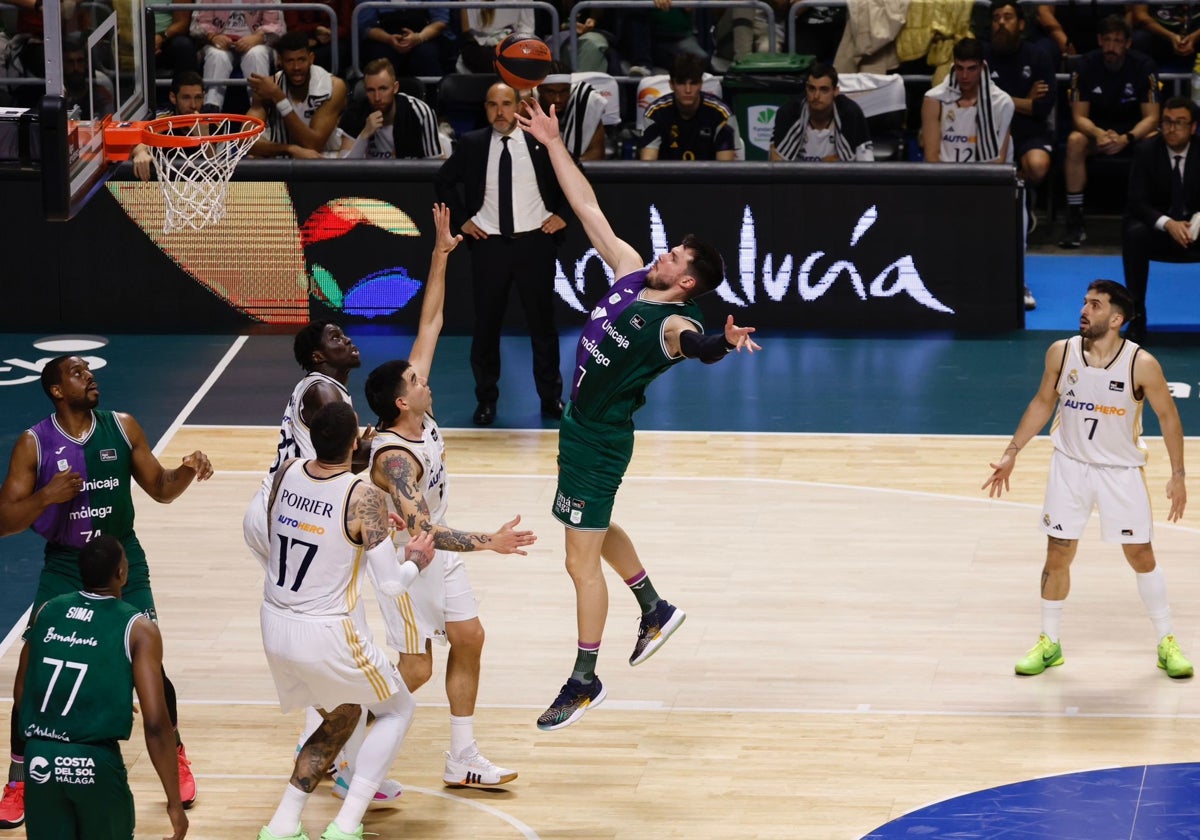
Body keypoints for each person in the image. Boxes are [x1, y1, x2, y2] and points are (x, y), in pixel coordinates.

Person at [516, 97, 761, 730]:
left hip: (599, 439)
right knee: (591, 530)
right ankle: (653, 606)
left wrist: (723, 343)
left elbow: (699, 347)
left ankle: (584, 678)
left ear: (687, 282)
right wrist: (551, 142)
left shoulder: (674, 321)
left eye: (677, 256)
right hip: (580, 427)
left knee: (577, 560)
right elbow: (587, 206)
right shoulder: (628, 272)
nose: (666, 253)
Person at [361, 203, 534, 787]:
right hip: (404, 559)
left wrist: (439, 254)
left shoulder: (412, 409)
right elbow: (424, 534)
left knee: (469, 636)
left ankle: (462, 759)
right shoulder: (393, 460)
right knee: (415, 668)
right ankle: (340, 744)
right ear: (401, 404)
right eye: (415, 381)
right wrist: (494, 541)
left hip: (433, 544)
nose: (424, 377)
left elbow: (429, 322)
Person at [0, 355, 213, 828]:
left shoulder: (123, 426)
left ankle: (174, 753)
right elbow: (4, 521)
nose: (90, 377)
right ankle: (19, 776)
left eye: (88, 371)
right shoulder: (34, 443)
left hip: (122, 564)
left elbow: (160, 488)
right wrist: (46, 497)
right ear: (56, 390)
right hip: (65, 565)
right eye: (77, 374)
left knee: (150, 664)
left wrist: (186, 471)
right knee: (29, 673)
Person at [982, 279, 1192, 681]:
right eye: (1084, 302)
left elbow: (1169, 418)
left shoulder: (1141, 364)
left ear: (1116, 319)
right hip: (1070, 466)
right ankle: (1049, 642)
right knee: (1058, 553)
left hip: (1121, 472)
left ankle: (1166, 642)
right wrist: (1012, 452)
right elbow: (1044, 401)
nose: (1084, 310)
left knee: (1141, 555)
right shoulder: (1061, 353)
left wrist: (1178, 475)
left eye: (1094, 305)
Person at [250, 401, 436, 840]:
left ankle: (280, 826)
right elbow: (390, 585)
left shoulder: (286, 472)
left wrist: (369, 529)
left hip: (274, 622)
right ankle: (347, 823)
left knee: (341, 716)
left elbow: (309, 524)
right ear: (356, 443)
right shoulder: (363, 496)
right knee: (397, 708)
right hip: (324, 631)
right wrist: (415, 560)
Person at [13, 536, 188, 840]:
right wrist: (174, 803)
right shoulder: (137, 627)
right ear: (122, 572)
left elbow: (22, 692)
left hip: (40, 760)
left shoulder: (48, 611)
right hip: (94, 762)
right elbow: (158, 725)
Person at [434, 81, 569, 427]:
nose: (499, 111)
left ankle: (551, 398)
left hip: (534, 243)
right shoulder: (473, 144)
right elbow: (444, 181)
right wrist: (463, 220)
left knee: (542, 326)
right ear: (486, 108)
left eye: (506, 103)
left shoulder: (541, 142)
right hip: (489, 245)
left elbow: (574, 176)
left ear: (520, 105)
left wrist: (562, 213)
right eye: (492, 104)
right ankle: (486, 401)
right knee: (486, 327)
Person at [1059, 15, 1160, 249]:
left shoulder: (1145, 67)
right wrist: (1099, 134)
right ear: (1099, 41)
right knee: (1075, 141)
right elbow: (1078, 117)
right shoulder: (1084, 66)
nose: (1111, 47)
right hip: (1097, 133)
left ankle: (1154, 217)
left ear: (1128, 44)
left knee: (1155, 140)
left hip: (1133, 133)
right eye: (1107, 40)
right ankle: (1075, 220)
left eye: (1117, 41)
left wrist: (1127, 138)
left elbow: (1153, 118)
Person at [1121, 98, 1200, 344]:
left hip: (1198, 230)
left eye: (1179, 123)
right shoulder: (1146, 151)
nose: (1171, 128)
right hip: (1160, 232)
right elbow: (1136, 201)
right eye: (1166, 122)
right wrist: (1168, 223)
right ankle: (1137, 317)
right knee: (1134, 232)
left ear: (1193, 127)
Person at [985, 1, 1056, 230]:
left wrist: (1002, 99)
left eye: (1008, 17)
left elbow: (1042, 107)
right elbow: (979, 102)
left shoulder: (1038, 56)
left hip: (1028, 131)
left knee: (1037, 166)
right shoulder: (981, 57)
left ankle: (1022, 195)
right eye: (996, 19)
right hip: (990, 133)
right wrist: (1024, 99)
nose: (1001, 23)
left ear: (1022, 24)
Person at [248, 32, 350, 159]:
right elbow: (245, 142)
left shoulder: (333, 86)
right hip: (285, 156)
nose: (296, 67)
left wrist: (280, 99)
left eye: (301, 60)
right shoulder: (268, 87)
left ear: (311, 58)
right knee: (254, 158)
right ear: (280, 61)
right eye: (290, 61)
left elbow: (314, 145)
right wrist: (289, 149)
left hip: (325, 156)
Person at [921, 37, 1014, 164]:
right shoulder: (934, 100)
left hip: (984, 180)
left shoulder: (1001, 103)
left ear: (982, 67)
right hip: (944, 179)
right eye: (960, 68)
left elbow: (998, 161)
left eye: (971, 69)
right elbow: (932, 158)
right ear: (954, 65)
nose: (965, 76)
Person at [340, 58, 445, 160]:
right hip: (371, 177)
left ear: (395, 88)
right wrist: (364, 135)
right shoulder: (354, 114)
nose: (377, 97)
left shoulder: (420, 112)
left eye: (383, 89)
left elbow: (433, 166)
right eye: (370, 90)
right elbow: (345, 171)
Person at [191, 0, 284, 113]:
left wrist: (259, 37)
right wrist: (213, 36)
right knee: (217, 56)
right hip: (220, 43)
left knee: (256, 54)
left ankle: (262, 111)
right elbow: (200, 22)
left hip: (256, 43)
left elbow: (276, 25)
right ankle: (211, 113)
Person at [769, 62, 873, 162]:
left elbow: (866, 165)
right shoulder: (789, 112)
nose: (816, 96)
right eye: (812, 89)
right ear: (806, 89)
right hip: (799, 178)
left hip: (840, 177)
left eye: (824, 90)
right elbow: (777, 162)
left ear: (835, 91)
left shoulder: (851, 113)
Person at [640, 53, 736, 161]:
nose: (688, 90)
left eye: (693, 83)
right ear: (672, 84)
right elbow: (648, 164)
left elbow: (725, 169)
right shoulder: (655, 113)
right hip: (668, 177)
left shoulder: (722, 114)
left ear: (700, 84)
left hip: (709, 177)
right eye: (681, 83)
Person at [132, 70, 206, 181]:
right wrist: (140, 152)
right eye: (186, 98)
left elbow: (220, 169)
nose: (193, 105)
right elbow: (141, 140)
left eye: (198, 97)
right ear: (173, 97)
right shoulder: (164, 118)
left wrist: (204, 137)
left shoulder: (214, 123)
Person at [535, 60, 608, 161]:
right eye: (551, 92)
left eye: (564, 92)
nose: (558, 99)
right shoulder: (528, 106)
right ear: (539, 89)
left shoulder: (585, 105)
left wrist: (566, 167)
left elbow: (597, 153)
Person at [1131, 3, 1200, 72]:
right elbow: (1140, 15)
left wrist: (1195, 37)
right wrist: (1171, 36)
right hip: (1160, 32)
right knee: (1139, 38)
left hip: (1196, 32)